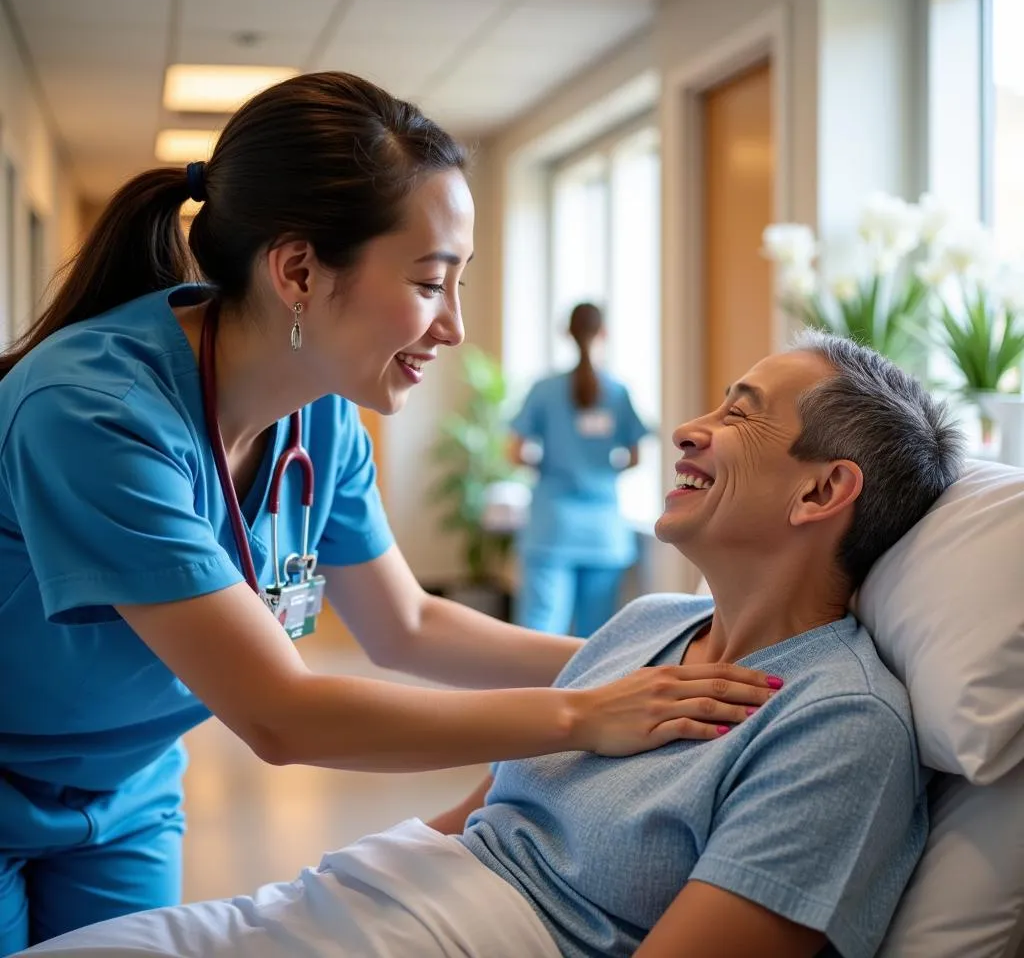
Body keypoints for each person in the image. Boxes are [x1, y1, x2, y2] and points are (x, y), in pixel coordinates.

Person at [0, 73, 777, 955]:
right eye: (428, 282)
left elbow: (406, 625)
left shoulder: (320, 415)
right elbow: (280, 714)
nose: (451, 328)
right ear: (298, 270)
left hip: (125, 787)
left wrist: (659, 664)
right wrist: (581, 714)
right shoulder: (93, 411)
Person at [18, 333, 966, 958]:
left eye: (742, 413)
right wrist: (303, 904)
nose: (691, 428)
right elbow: (474, 817)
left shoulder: (838, 723)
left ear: (819, 494)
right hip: (354, 904)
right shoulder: (644, 630)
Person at [509, 302, 647, 637]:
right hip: (603, 531)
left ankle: (533, 692)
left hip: (552, 526)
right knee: (595, 639)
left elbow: (515, 452)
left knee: (540, 630)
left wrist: (548, 466)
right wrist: (599, 470)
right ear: (604, 333)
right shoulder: (618, 392)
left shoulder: (544, 390)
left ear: (566, 333)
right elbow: (634, 457)